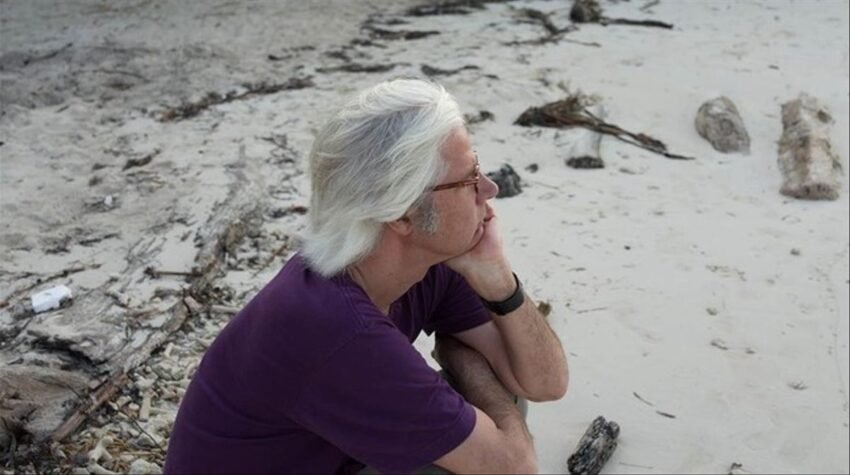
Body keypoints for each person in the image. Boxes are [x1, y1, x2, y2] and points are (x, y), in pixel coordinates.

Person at [164, 79, 568, 474]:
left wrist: (500, 281)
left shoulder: (428, 263)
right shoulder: (335, 327)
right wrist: (470, 370)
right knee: (478, 438)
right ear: (403, 213)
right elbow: (516, 468)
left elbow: (546, 382)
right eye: (469, 179)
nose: (489, 189)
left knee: (498, 382)